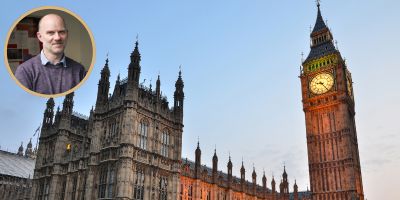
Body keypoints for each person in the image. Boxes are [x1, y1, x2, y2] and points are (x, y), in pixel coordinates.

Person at [14, 13, 86, 95]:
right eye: (51, 33)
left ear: (67, 34)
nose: (57, 38)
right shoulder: (25, 71)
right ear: (40, 36)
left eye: (61, 32)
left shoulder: (80, 70)